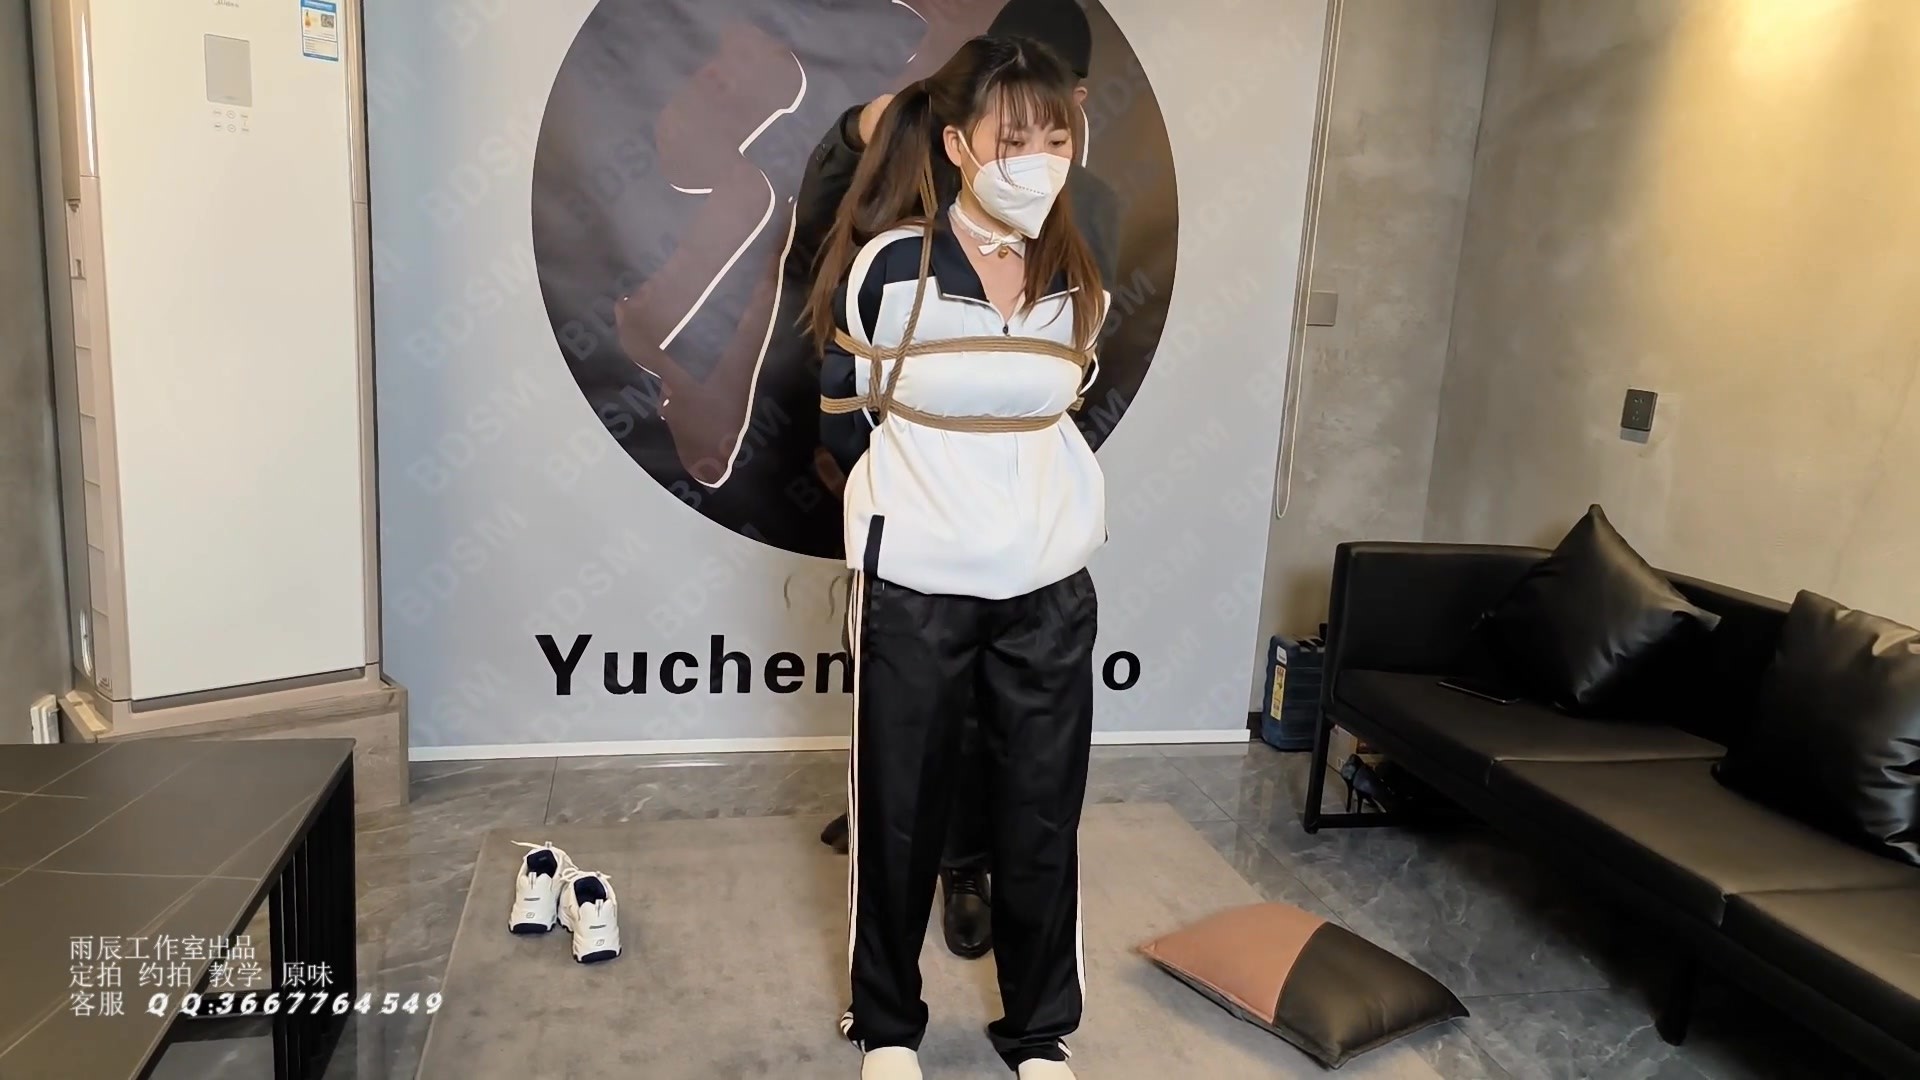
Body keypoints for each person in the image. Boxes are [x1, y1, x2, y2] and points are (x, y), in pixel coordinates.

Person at [804, 33, 1107, 1080]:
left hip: (1049, 589)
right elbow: (843, 414)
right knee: (898, 811)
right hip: (917, 584)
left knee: (1042, 813)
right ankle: (887, 1025)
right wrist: (918, 503)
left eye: (1056, 138)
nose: (1037, 159)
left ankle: (1040, 1031)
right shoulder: (892, 266)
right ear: (958, 145)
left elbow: (1069, 409)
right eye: (1012, 137)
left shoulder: (1078, 275)